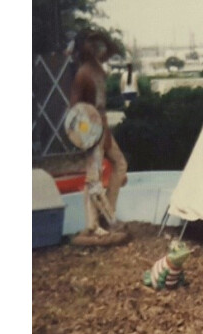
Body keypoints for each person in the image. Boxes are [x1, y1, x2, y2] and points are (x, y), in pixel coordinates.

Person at [69, 29, 129, 243]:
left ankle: (105, 216)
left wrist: (103, 37)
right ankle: (97, 224)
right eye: (87, 43)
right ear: (80, 48)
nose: (92, 46)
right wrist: (87, 136)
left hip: (102, 126)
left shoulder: (95, 64)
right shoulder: (83, 73)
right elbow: (75, 109)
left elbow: (113, 49)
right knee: (93, 178)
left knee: (119, 164)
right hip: (91, 129)